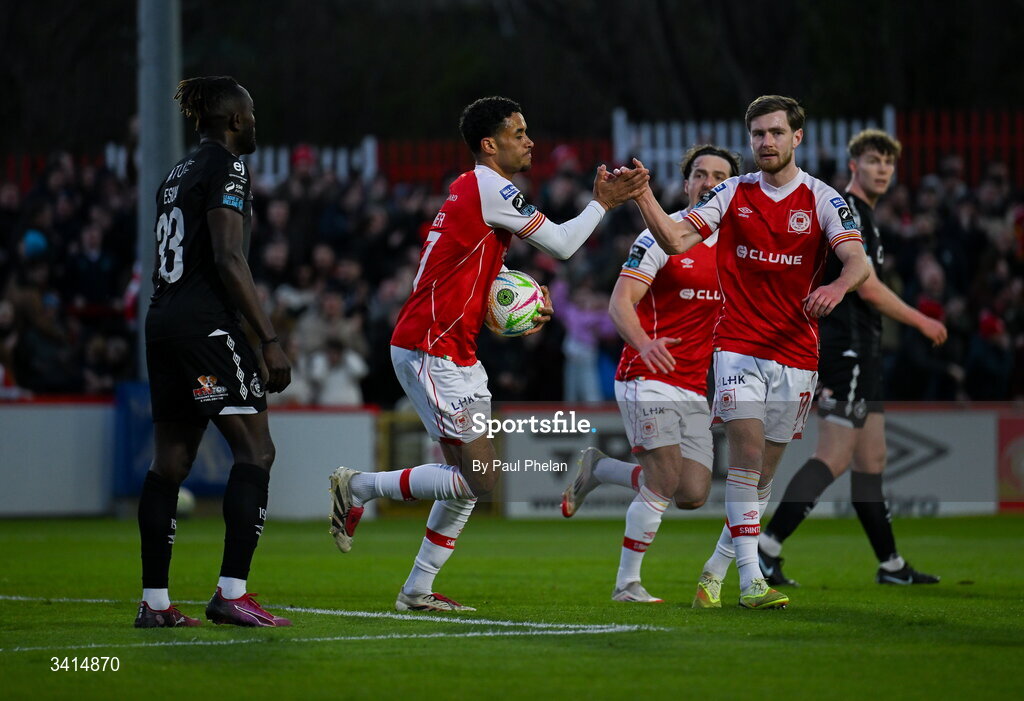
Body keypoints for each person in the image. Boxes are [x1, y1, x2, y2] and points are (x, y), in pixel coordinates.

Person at [329, 96, 648, 612]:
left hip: (455, 350)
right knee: (480, 478)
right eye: (518, 132)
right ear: (489, 144)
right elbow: (564, 245)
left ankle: (417, 590)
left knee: (469, 482)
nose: (529, 141)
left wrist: (511, 307)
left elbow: (462, 269)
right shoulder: (488, 185)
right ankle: (360, 486)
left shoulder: (472, 190)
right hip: (428, 347)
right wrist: (603, 204)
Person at [624, 95, 871, 609]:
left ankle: (713, 573)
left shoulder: (823, 199)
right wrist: (644, 195)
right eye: (758, 134)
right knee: (748, 457)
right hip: (737, 348)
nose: (766, 142)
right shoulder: (732, 193)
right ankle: (751, 581)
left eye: (776, 133)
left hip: (797, 353)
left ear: (796, 137)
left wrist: (838, 287)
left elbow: (857, 261)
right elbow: (673, 238)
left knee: (762, 479)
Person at [135, 76, 293, 628]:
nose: (254, 122)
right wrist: (267, 339)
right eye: (249, 114)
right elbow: (229, 259)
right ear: (232, 120)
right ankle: (232, 592)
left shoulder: (175, 174)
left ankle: (154, 603)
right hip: (206, 326)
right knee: (257, 452)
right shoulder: (227, 166)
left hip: (163, 321)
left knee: (170, 462)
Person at [758, 130, 946, 586]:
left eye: (889, 162)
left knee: (871, 460)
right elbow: (869, 286)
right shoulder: (847, 209)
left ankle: (891, 565)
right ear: (854, 165)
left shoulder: (866, 216)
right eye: (874, 160)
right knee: (835, 456)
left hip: (865, 351)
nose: (883, 169)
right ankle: (766, 547)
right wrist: (920, 321)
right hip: (847, 349)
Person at [560, 144, 741, 603]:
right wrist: (644, 343)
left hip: (692, 384)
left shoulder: (737, 249)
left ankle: (600, 468)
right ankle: (627, 584)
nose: (708, 183)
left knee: (692, 493)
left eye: (719, 176)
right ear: (685, 185)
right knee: (662, 479)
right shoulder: (659, 238)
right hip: (646, 372)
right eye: (699, 174)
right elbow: (619, 304)